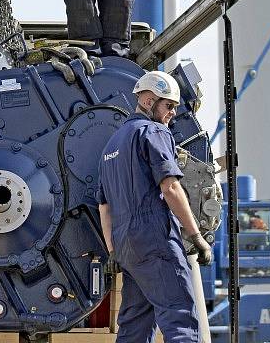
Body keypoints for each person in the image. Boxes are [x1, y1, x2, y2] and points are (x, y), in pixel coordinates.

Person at [96, 71, 212, 343]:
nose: (172, 113)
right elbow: (170, 187)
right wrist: (196, 236)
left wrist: (113, 251)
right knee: (180, 315)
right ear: (148, 101)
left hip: (127, 247)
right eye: (169, 105)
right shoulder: (153, 131)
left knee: (135, 325)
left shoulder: (110, 146)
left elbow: (104, 207)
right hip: (154, 240)